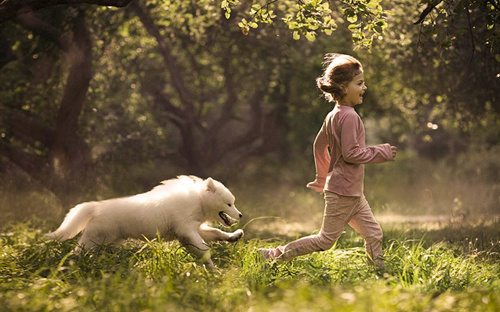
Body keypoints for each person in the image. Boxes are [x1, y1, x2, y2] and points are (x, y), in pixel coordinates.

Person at [259, 54, 397, 269]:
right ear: (343, 87)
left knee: (374, 233)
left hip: (350, 191)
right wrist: (382, 152)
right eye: (359, 83)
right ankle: (274, 255)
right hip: (343, 191)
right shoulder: (350, 116)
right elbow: (352, 154)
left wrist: (323, 177)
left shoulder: (333, 115)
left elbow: (318, 146)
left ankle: (379, 273)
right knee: (325, 240)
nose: (364, 87)